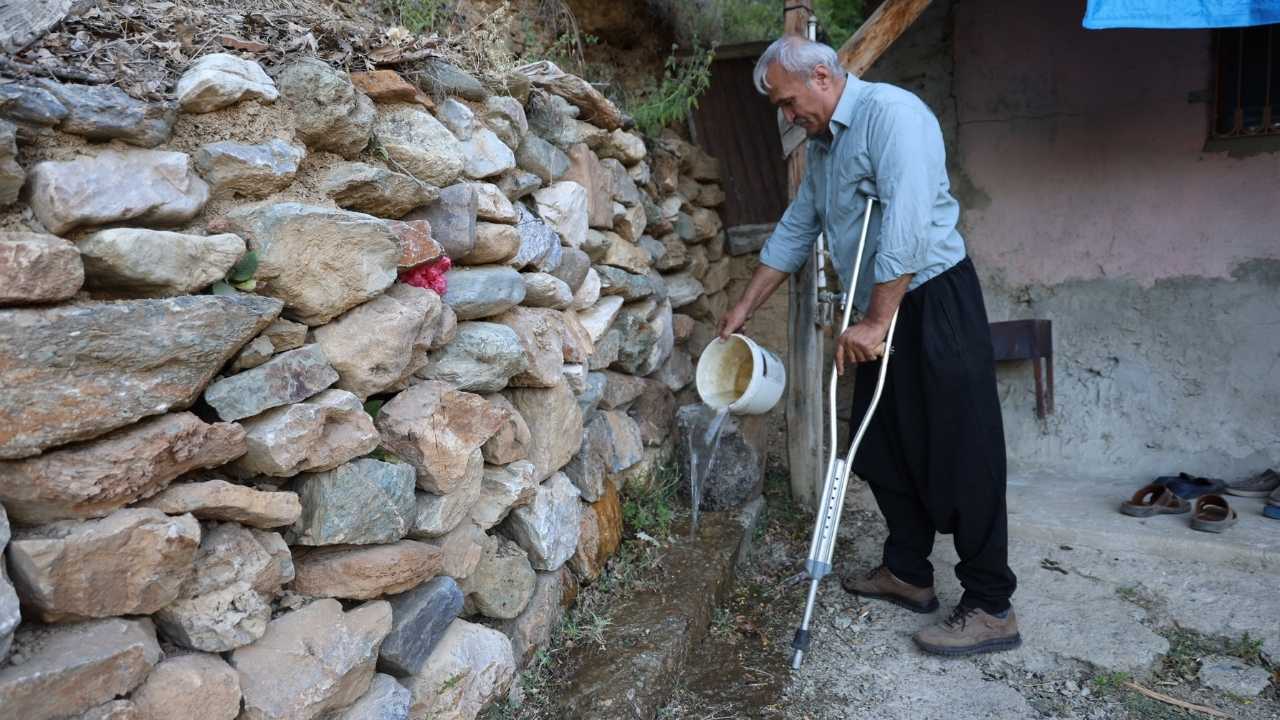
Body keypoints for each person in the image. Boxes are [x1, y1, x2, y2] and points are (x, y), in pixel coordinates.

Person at [718, 35, 1020, 656]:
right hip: (880, 309)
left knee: (963, 452)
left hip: (934, 301)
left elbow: (907, 224)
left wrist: (877, 322)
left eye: (788, 100)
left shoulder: (893, 117)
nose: (786, 115)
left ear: (823, 75)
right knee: (880, 448)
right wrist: (744, 307)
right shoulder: (824, 146)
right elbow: (799, 226)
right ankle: (908, 571)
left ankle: (991, 604)